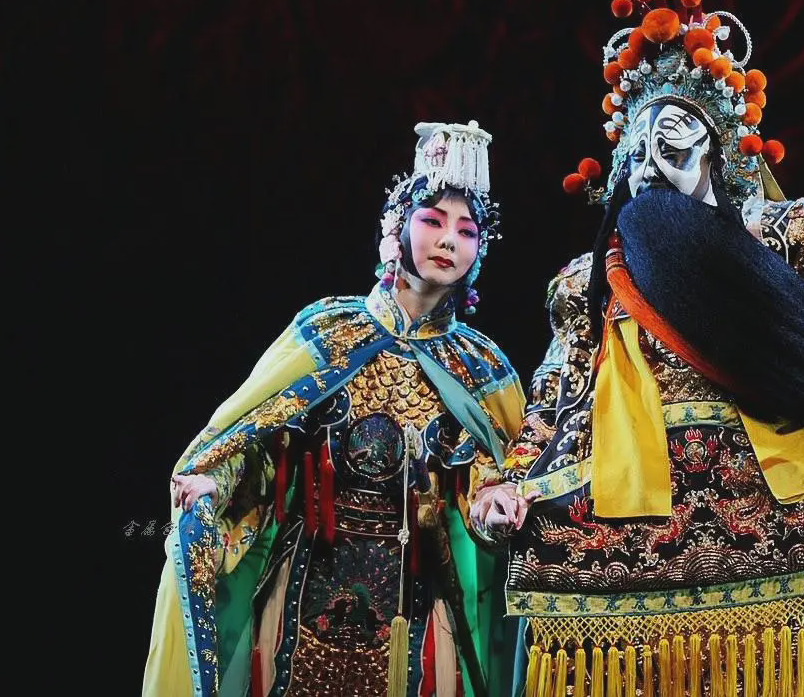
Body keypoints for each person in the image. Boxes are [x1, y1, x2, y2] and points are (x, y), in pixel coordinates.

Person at [471, 0, 804, 695]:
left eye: (670, 139)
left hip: (794, 525)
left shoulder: (795, 233)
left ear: (715, 148)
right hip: (634, 539)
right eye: (636, 149)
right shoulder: (591, 280)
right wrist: (509, 483)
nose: (649, 163)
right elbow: (557, 397)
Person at [144, 120, 525, 697]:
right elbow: (256, 446)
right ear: (396, 230)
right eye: (432, 221)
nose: (449, 240)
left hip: (420, 612)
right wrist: (213, 483)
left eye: (466, 230)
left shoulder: (481, 366)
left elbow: (494, 477)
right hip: (302, 593)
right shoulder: (328, 330)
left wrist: (495, 508)